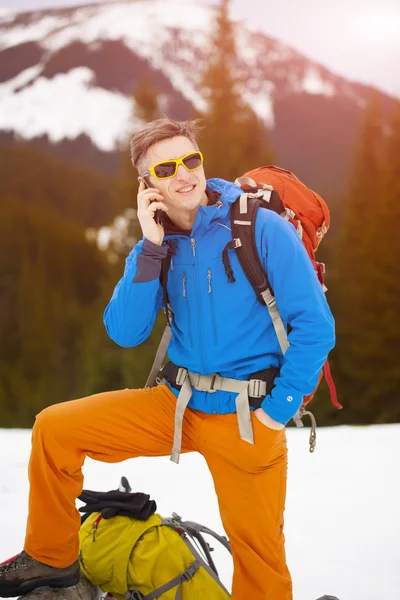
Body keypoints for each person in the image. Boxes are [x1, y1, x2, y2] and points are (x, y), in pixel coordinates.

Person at [0, 118, 335, 600]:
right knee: (54, 429)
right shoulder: (153, 246)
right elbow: (125, 331)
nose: (184, 174)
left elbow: (316, 328)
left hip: (248, 417)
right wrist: (152, 249)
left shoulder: (259, 228)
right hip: (174, 404)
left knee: (260, 563)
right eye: (166, 167)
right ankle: (51, 560)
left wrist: (277, 410)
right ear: (147, 184)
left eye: (191, 159)